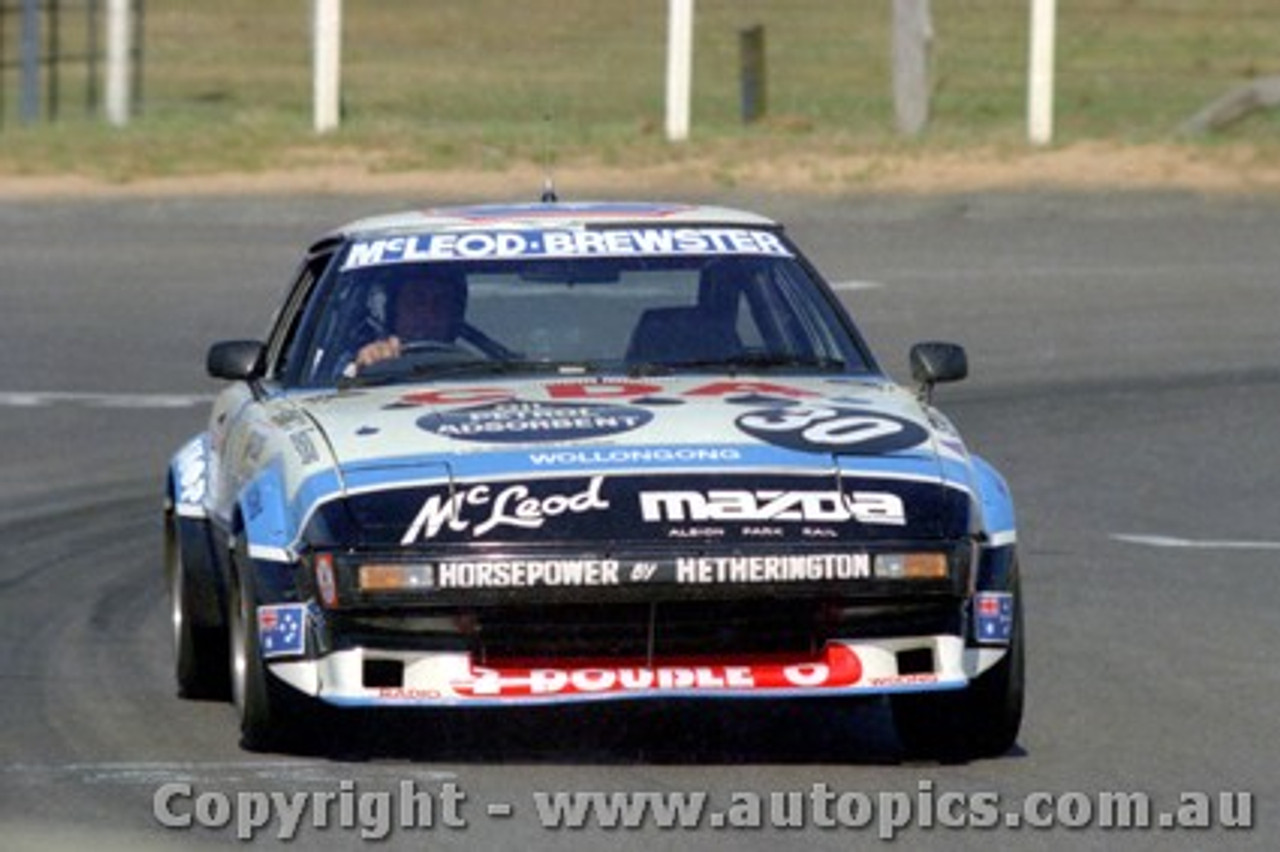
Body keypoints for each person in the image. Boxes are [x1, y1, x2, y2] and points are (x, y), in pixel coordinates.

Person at [352, 271, 467, 372]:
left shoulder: (476, 370)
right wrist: (361, 367)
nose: (428, 314)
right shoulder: (373, 359)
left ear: (454, 315)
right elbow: (343, 382)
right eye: (416, 302)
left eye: (440, 304)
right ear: (394, 311)